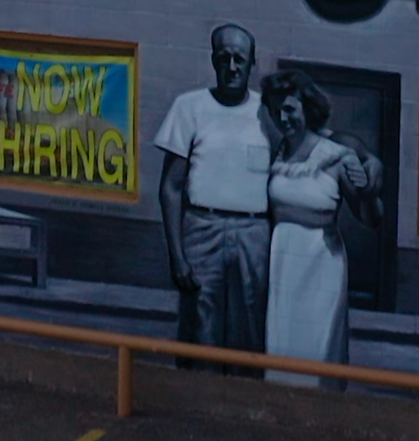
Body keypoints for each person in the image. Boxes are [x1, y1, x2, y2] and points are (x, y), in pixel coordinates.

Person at [154, 24, 274, 373]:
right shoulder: (189, 107)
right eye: (225, 58)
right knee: (199, 325)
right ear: (213, 60)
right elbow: (170, 188)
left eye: (240, 59)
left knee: (250, 327)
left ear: (253, 63)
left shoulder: (267, 112)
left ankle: (241, 408)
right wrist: (177, 256)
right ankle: (196, 403)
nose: (232, 67)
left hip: (254, 233)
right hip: (202, 229)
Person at [258, 68, 382, 389]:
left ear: (306, 107)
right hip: (282, 264)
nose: (282, 118)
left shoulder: (336, 155)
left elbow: (371, 218)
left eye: (289, 109)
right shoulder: (277, 153)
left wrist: (367, 189)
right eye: (275, 110)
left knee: (317, 349)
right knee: (281, 350)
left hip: (320, 264)